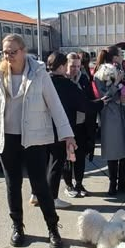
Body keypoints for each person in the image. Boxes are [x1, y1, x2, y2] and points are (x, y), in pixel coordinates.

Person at [0, 35, 76, 248]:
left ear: (23, 51)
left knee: (40, 185)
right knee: (12, 185)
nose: (8, 56)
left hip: (34, 139)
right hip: (7, 139)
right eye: (5, 52)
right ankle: (17, 227)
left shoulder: (39, 74)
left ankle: (53, 228)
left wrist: (67, 135)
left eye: (13, 52)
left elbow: (55, 105)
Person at [93, 46, 125, 197]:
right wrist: (115, 85)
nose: (123, 56)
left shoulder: (122, 71)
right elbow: (103, 96)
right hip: (110, 116)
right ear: (114, 57)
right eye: (121, 54)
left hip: (124, 113)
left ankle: (122, 182)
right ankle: (112, 183)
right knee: (113, 151)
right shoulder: (100, 74)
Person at [46, 51, 87, 208]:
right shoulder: (64, 83)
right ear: (62, 66)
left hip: (44, 128)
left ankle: (37, 194)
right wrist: (101, 102)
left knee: (47, 163)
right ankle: (52, 199)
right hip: (60, 130)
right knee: (56, 164)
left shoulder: (44, 80)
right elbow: (84, 104)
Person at [63, 52, 98, 198]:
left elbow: (90, 100)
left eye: (78, 66)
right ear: (65, 66)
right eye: (72, 66)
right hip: (66, 126)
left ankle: (79, 183)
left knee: (80, 156)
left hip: (82, 124)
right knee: (67, 157)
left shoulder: (83, 79)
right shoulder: (62, 81)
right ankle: (68, 184)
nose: (75, 69)